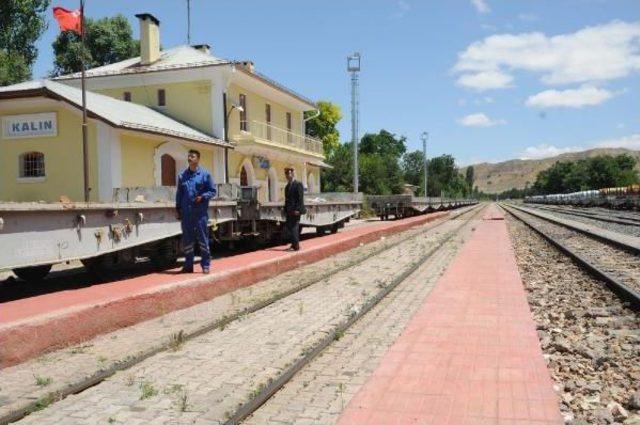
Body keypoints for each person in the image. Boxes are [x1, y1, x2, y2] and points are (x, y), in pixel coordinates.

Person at [175, 149, 216, 274]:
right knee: (187, 240)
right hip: (186, 213)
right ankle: (188, 266)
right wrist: (178, 208)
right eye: (188, 156)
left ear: (198, 159)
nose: (190, 158)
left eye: (192, 156)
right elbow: (179, 193)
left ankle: (205, 265)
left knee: (203, 239)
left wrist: (202, 197)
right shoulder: (182, 176)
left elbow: (212, 191)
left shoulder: (205, 175)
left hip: (200, 213)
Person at [283, 167, 305, 251]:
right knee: (289, 227)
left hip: (296, 211)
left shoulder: (298, 184)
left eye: (289, 173)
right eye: (286, 174)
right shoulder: (287, 187)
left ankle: (296, 246)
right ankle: (293, 244)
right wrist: (285, 210)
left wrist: (298, 210)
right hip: (289, 211)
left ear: (292, 174)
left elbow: (300, 198)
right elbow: (286, 200)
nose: (288, 175)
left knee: (294, 227)